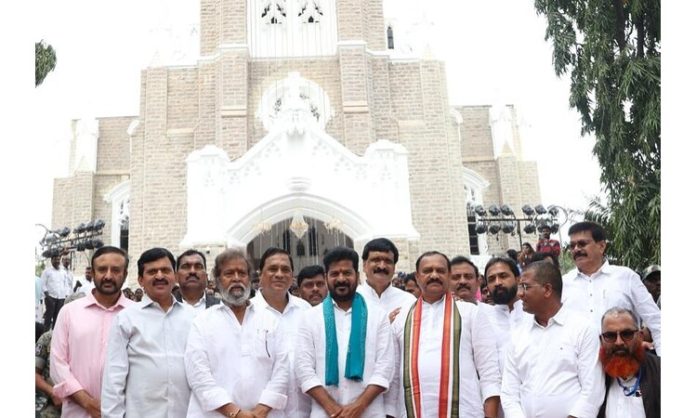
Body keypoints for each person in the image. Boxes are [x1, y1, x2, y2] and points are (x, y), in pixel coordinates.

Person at [388, 251, 501, 418]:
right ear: (418, 277)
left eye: (440, 271)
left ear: (448, 276)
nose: (434, 275)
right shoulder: (401, 318)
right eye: (427, 271)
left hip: (466, 412)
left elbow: (489, 371)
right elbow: (394, 376)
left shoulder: (470, 313)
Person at [185, 249, 289, 418]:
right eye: (229, 273)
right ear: (217, 280)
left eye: (242, 273)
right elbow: (198, 375)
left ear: (250, 279)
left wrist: (260, 411)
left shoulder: (270, 320)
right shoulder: (202, 322)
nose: (236, 278)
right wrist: (235, 413)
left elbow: (282, 371)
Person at [296, 246, 395, 418]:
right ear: (326, 277)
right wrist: (333, 409)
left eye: (347, 273)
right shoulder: (309, 318)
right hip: (324, 413)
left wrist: (358, 406)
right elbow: (303, 369)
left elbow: (385, 367)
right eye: (334, 274)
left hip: (369, 412)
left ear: (357, 276)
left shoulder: (378, 316)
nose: (341, 279)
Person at [501, 261, 605, 418]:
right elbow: (509, 393)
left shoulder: (583, 329)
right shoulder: (518, 334)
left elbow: (592, 391)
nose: (520, 294)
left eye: (526, 287)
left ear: (547, 289)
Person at [102, 247, 195, 418]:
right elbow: (113, 378)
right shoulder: (126, 319)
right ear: (140, 280)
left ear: (174, 276)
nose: (160, 276)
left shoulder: (193, 317)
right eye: (152, 271)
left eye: (166, 270)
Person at [49, 246, 135, 418]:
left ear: (125, 274)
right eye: (102, 269)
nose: (108, 276)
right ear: (93, 273)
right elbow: (58, 365)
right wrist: (88, 403)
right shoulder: (69, 312)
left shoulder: (137, 315)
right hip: (77, 412)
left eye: (116, 270)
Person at [561, 221, 662, 355]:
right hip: (579, 367)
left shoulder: (626, 277)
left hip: (624, 365)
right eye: (572, 246)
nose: (576, 249)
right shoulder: (563, 283)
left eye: (582, 244)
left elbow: (657, 323)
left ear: (601, 246)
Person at [251, 247, 312, 417]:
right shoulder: (248, 313)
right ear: (260, 274)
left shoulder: (305, 310)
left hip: (305, 410)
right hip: (264, 412)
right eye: (272, 269)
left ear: (292, 276)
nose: (279, 274)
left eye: (285, 269)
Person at [597, 308, 660, 418]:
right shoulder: (595, 375)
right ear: (601, 340)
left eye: (627, 334)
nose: (618, 342)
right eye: (610, 336)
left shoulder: (658, 371)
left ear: (640, 336)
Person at [36, 292, 86, 418]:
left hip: (85, 405)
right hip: (53, 403)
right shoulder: (48, 338)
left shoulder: (93, 340)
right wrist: (52, 393)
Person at [483, 257, 529, 385]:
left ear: (518, 278)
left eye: (503, 276)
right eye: (491, 279)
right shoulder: (483, 318)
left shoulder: (534, 313)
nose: (497, 282)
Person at [357, 238, 415, 321]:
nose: (382, 266)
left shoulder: (408, 302)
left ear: (394, 267)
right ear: (364, 265)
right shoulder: (351, 300)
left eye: (388, 261)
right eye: (376, 260)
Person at [175, 249, 220, 314]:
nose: (192, 271)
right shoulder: (166, 307)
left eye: (198, 267)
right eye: (186, 267)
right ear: (176, 276)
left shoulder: (220, 307)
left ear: (206, 276)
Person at [42, 254, 72, 330]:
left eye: (58, 259)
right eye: (55, 259)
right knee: (48, 318)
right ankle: (44, 335)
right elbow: (43, 284)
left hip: (61, 298)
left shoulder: (63, 272)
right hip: (50, 297)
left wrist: (66, 295)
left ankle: (55, 336)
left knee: (58, 318)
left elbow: (66, 285)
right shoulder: (47, 271)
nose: (57, 261)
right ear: (51, 260)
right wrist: (47, 296)